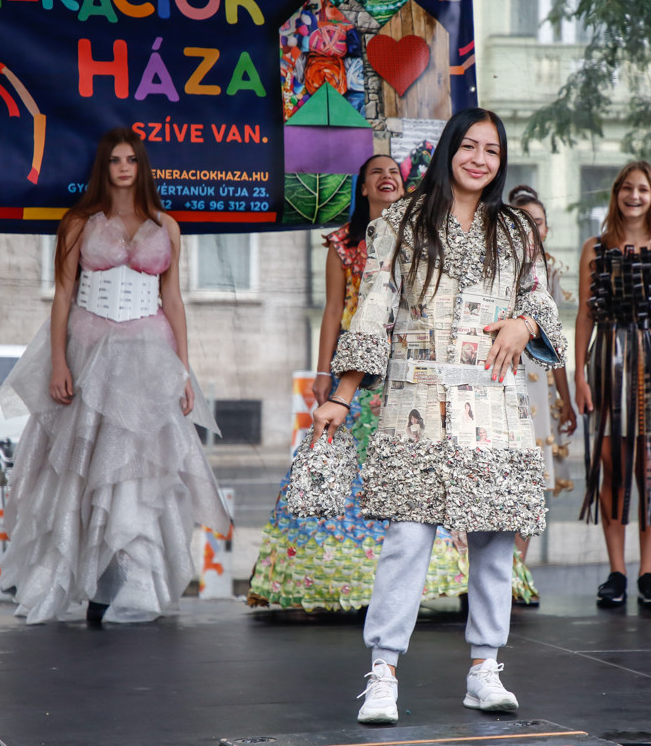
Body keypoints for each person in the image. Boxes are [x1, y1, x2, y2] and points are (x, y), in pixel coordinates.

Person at [312, 107, 567, 724]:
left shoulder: (515, 230)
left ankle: (485, 668)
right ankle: (383, 673)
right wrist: (341, 395)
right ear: (449, 149)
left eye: (492, 151)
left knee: (495, 541)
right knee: (406, 539)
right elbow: (372, 312)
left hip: (495, 405)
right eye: (470, 146)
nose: (480, 159)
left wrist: (525, 322)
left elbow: (544, 303)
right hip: (416, 404)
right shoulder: (400, 221)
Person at [0, 128, 230, 624]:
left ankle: (120, 584)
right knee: (78, 471)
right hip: (89, 350)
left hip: (148, 356)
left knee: (136, 471)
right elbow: (63, 294)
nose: (124, 168)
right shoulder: (78, 222)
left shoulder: (166, 225)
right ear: (103, 167)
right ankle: (73, 576)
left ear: (141, 167)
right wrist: (59, 362)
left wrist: (183, 371)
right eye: (115, 160)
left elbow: (173, 300)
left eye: (131, 160)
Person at [247, 154, 468, 611]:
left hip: (410, 366)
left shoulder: (424, 234)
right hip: (358, 373)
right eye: (376, 173)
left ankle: (426, 576)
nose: (387, 177)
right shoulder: (344, 243)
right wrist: (323, 373)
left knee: (415, 468)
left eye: (394, 172)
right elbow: (333, 310)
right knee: (344, 466)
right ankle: (338, 577)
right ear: (362, 188)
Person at [575, 161, 651, 610]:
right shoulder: (594, 247)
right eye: (627, 188)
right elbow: (585, 314)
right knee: (612, 469)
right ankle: (617, 572)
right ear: (616, 193)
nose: (634, 195)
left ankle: (648, 571)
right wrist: (579, 374)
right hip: (606, 361)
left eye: (642, 189)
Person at [508, 185, 576, 563]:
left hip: (538, 377)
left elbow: (555, 339)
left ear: (547, 229)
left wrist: (565, 399)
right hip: (504, 370)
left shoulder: (550, 270)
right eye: (522, 221)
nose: (532, 229)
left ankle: (517, 571)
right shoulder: (498, 262)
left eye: (538, 222)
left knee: (532, 478)